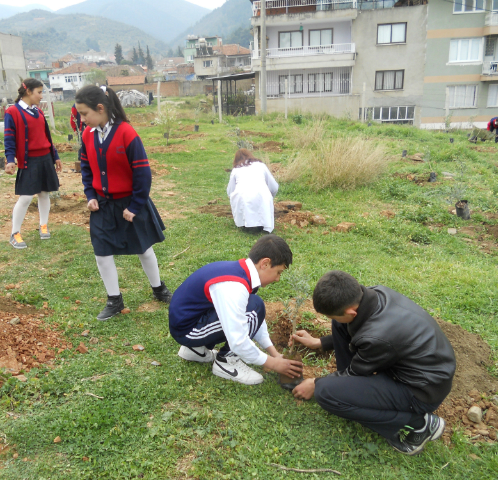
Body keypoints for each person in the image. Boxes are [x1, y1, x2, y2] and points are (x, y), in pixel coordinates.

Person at [291, 271, 456, 455]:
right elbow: (348, 327)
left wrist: (315, 383)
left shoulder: (376, 337)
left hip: (421, 391)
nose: (332, 320)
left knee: (325, 393)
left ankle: (420, 425)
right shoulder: (374, 294)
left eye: (333, 316)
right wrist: (319, 343)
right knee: (341, 324)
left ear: (351, 311)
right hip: (421, 367)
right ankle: (347, 389)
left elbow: (357, 371)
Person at [75, 85, 172, 320]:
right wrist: (90, 195)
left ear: (100, 108)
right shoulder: (88, 135)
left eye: (85, 113)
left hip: (129, 203)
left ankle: (158, 288)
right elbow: (86, 168)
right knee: (101, 253)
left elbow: (142, 174)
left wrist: (135, 206)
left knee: (144, 249)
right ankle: (114, 300)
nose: (82, 119)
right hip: (102, 205)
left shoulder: (127, 133)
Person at [169, 235, 303, 385]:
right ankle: (226, 362)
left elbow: (255, 319)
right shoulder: (235, 287)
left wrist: (274, 353)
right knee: (254, 307)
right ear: (265, 264)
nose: (278, 279)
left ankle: (195, 350)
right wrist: (272, 363)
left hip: (191, 320)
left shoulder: (243, 272)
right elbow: (238, 340)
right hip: (187, 330)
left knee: (254, 307)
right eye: (278, 272)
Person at [4, 78, 62, 249]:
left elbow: (47, 137)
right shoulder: (12, 112)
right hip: (29, 160)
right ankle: (15, 233)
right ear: (28, 92)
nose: (41, 96)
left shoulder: (39, 112)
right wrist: (10, 159)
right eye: (39, 92)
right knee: (27, 196)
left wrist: (55, 156)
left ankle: (43, 225)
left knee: (44, 194)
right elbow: (9, 138)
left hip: (45, 158)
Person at [227, 149, 278, 234]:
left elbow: (230, 191)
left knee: (242, 200)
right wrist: (270, 198)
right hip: (262, 195)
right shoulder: (261, 166)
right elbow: (274, 187)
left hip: (242, 197)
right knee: (262, 200)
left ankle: (246, 224)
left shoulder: (236, 169)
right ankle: (262, 224)